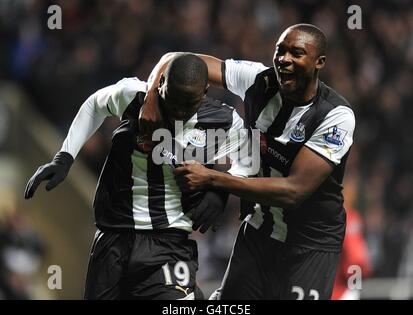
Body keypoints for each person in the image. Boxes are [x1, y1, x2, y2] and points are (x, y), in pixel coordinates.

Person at [140, 24, 356, 300]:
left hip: (309, 247)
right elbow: (178, 60)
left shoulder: (335, 116)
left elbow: (294, 191)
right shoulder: (258, 80)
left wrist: (215, 180)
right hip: (258, 230)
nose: (285, 59)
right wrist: (150, 98)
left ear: (319, 63)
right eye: (281, 51)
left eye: (297, 53)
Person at [24, 54, 248, 299]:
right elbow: (95, 104)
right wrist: (65, 156)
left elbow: (248, 159)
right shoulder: (134, 97)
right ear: (160, 83)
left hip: (169, 242)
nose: (179, 111)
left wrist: (220, 189)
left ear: (205, 92)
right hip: (112, 237)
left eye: (189, 103)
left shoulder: (223, 121)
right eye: (173, 101)